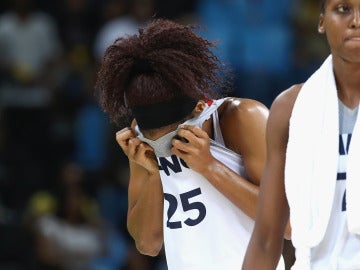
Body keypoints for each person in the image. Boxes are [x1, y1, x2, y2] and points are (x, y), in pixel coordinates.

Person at [95, 18, 285, 269]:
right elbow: (147, 243)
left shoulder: (242, 118)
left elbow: (289, 224)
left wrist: (209, 166)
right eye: (154, 140)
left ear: (198, 107)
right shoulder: (141, 137)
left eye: (171, 137)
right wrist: (153, 175)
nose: (163, 148)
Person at [242, 0, 360, 269]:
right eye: (343, 8)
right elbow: (266, 238)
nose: (356, 21)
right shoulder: (290, 108)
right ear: (321, 22)